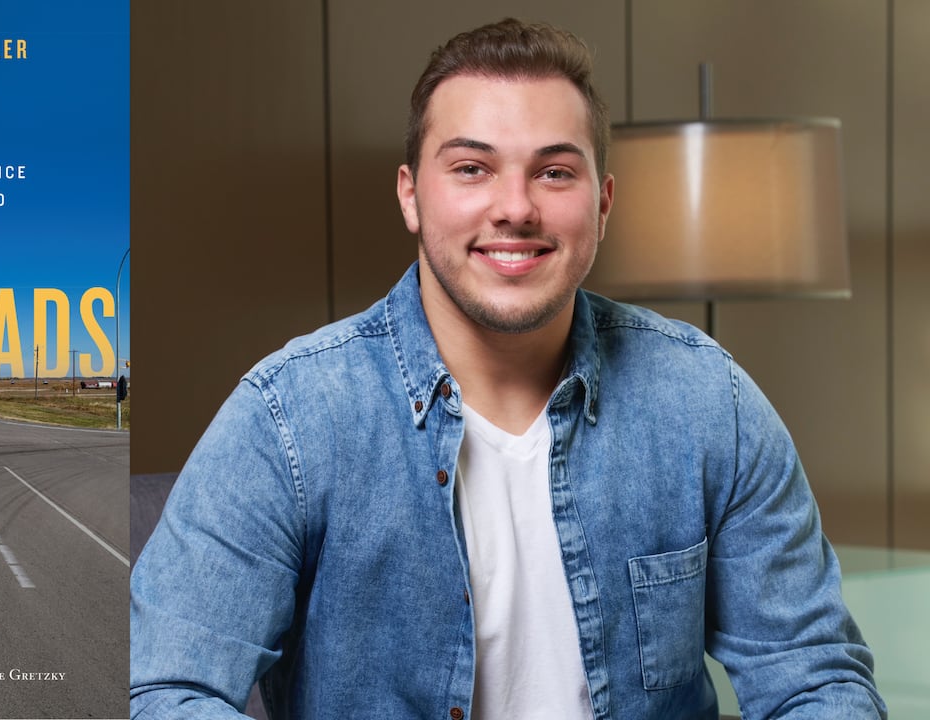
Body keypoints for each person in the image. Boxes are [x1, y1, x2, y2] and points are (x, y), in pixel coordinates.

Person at [131, 17, 885, 720]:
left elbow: (813, 675)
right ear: (411, 196)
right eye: (471, 168)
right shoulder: (288, 418)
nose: (515, 207)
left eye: (555, 172)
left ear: (603, 203)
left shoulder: (705, 400)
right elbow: (172, 687)